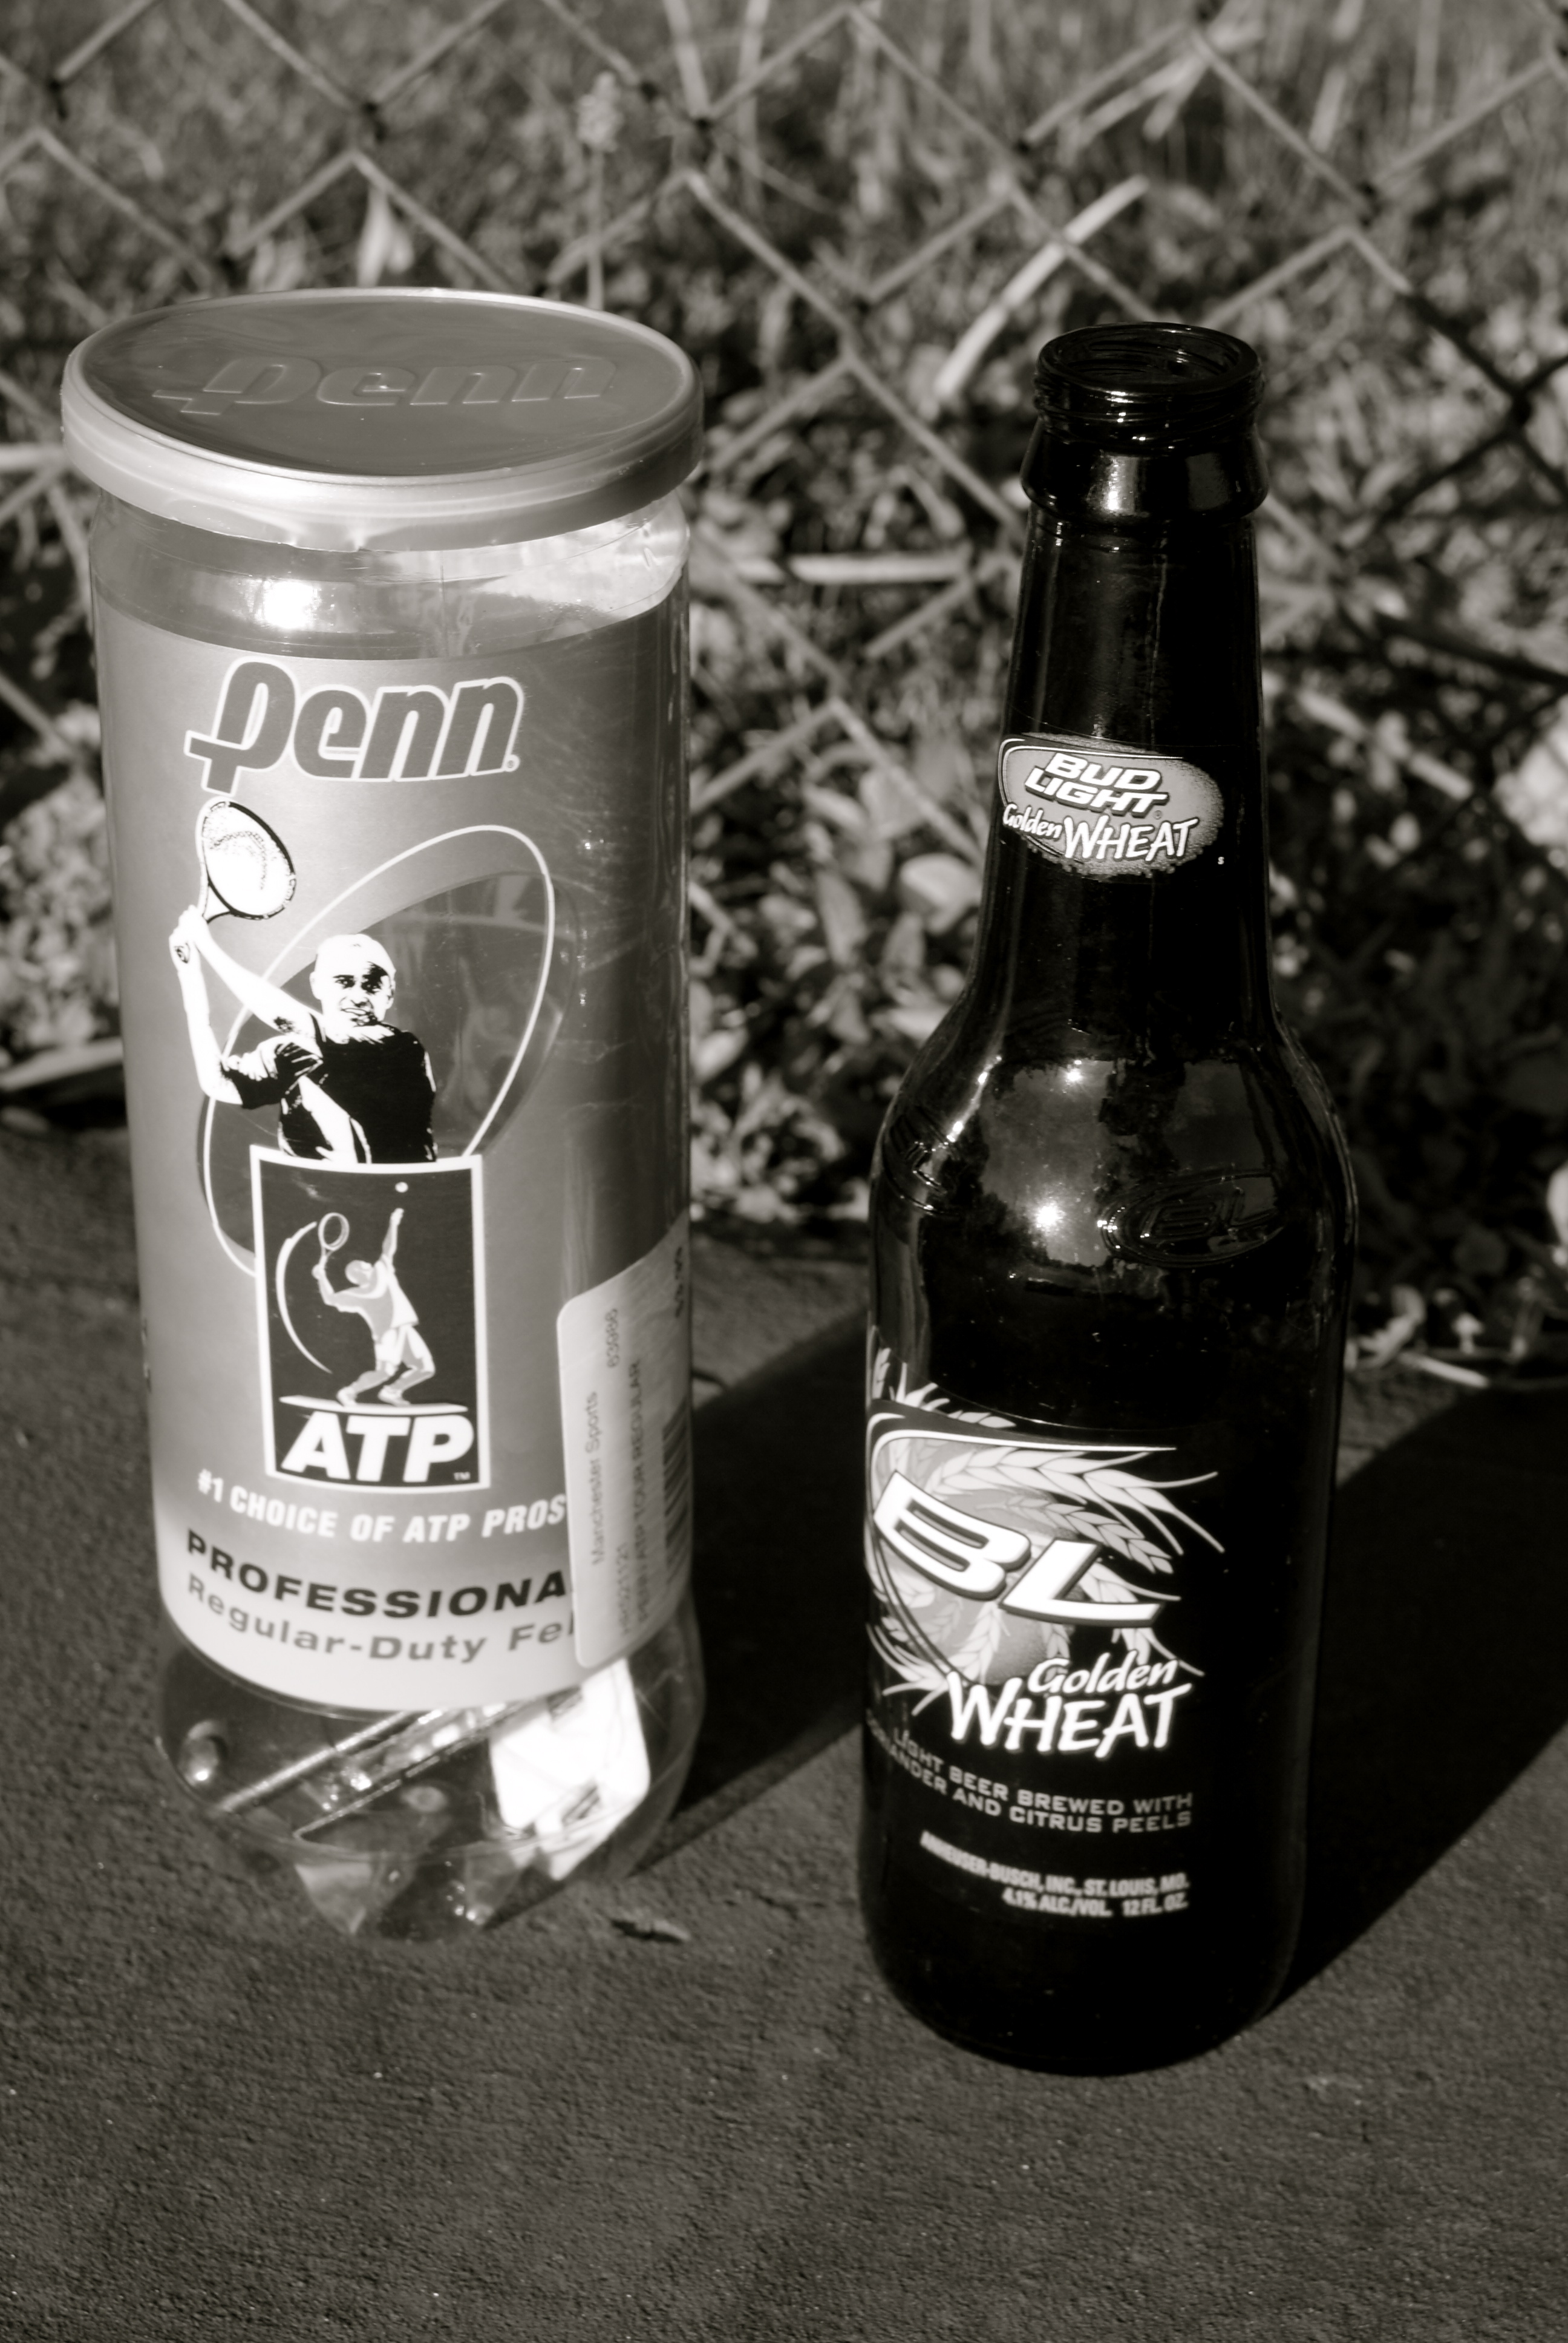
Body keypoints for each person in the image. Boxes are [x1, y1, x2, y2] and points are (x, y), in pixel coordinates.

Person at [169, 908, 436, 1164]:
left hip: (405, 1192)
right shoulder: (293, 1051)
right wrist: (190, 975)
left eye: (372, 985)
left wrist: (207, 946)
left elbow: (291, 1020)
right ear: (317, 986)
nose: (358, 997)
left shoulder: (404, 1049)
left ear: (390, 994)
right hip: (315, 1194)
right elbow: (219, 1084)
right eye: (343, 982)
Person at [313, 1207, 435, 1407]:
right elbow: (330, 1299)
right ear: (358, 1273)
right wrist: (321, 1277)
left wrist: (393, 1223)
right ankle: (349, 1392)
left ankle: (392, 1392)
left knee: (426, 1368)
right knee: (385, 1372)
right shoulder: (357, 1295)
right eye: (363, 1264)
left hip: (404, 1327)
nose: (368, 1263)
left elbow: (388, 1248)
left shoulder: (382, 1272)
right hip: (387, 1334)